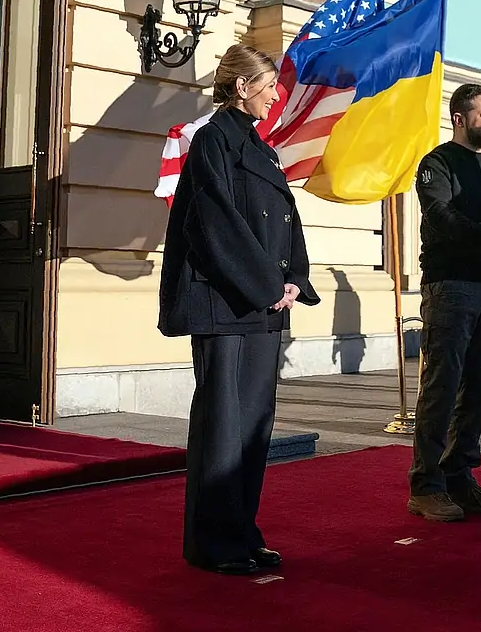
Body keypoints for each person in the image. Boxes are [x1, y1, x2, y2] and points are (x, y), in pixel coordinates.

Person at [158, 44, 320, 576]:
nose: (276, 95)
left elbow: (287, 221)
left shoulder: (261, 146)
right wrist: (267, 283)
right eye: (269, 85)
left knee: (254, 428)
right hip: (225, 305)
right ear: (242, 86)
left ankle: (242, 534)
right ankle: (213, 545)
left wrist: (294, 279)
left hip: (264, 305)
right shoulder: (212, 141)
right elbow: (214, 223)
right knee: (223, 429)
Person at [407, 83, 481, 522]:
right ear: (460, 118)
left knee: (479, 389)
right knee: (442, 387)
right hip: (449, 287)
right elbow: (440, 217)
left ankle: (460, 476)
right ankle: (426, 486)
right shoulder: (437, 164)